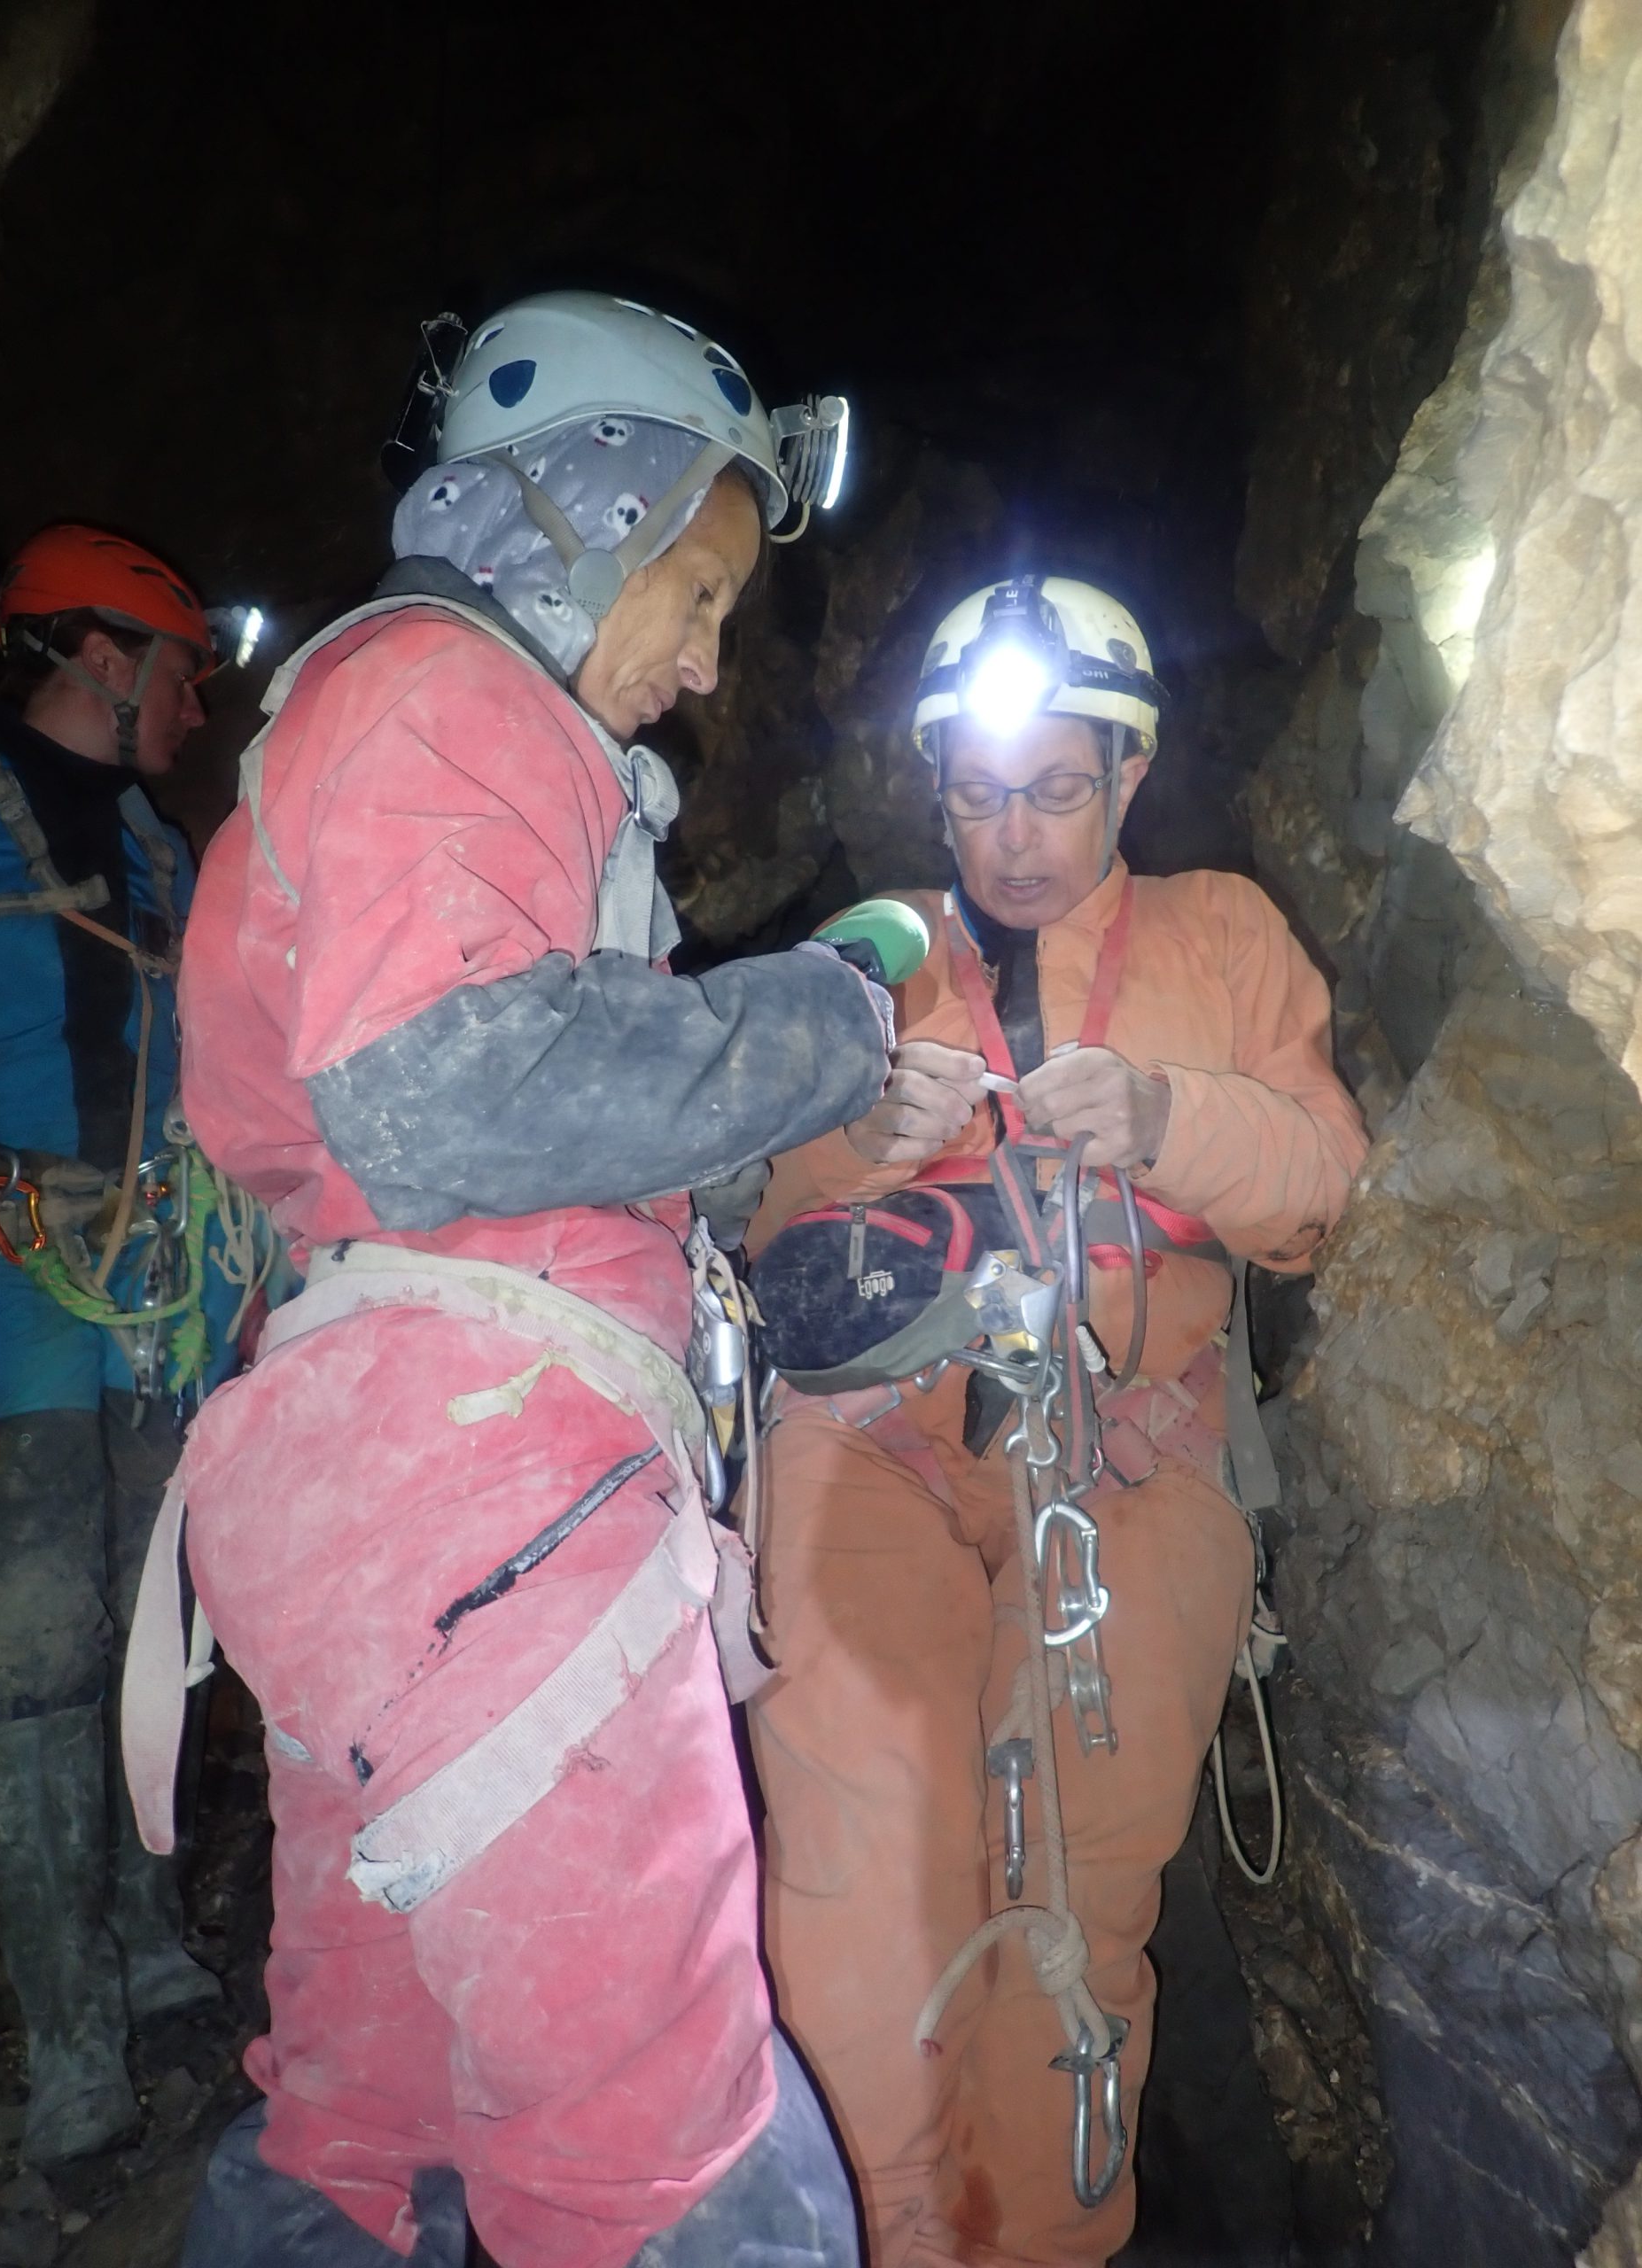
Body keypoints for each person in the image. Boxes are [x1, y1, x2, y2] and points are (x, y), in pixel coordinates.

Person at [154, 291, 885, 2267]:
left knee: (371, 2129)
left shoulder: (383, 729)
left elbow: (444, 1107)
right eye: (700, 586)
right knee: (676, 2156)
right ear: (585, 504)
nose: (709, 658)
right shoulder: (448, 696)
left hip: (371, 1502)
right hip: (493, 1506)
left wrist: (750, 1148)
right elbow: (452, 1091)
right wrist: (816, 1021)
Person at [744, 574, 1371, 2266]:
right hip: (872, 1447)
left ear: (1131, 770)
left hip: (1128, 1459)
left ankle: (1041, 2244)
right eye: (976, 790)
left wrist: (1167, 1114)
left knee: (1076, 1887)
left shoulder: (1223, 937)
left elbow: (1318, 1192)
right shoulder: (868, 961)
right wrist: (861, 1133)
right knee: (862, 1894)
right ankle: (889, 2238)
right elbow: (746, 1231)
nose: (1012, 833)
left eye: (1056, 789)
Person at [0, 525, 237, 2165]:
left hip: (162, 1302)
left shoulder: (163, 851)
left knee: (154, 1625)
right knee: (37, 1634)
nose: (198, 707)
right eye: (182, 669)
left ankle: (143, 1946)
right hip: (0, 1304)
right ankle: (67, 2060)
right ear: (99, 658)